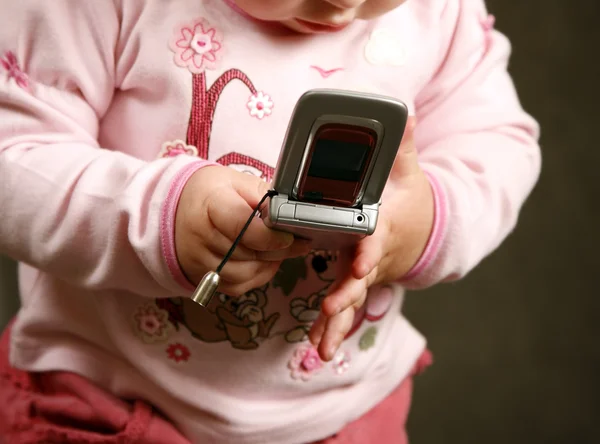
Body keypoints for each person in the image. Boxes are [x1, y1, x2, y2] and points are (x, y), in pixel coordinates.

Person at [0, 0, 541, 442]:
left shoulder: (440, 15)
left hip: (344, 413)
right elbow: (16, 154)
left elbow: (496, 147)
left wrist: (423, 223)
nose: (342, 3)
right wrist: (158, 215)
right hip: (103, 397)